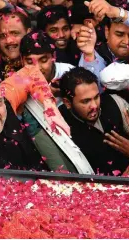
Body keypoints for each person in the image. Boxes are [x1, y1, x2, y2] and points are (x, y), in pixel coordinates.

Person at [58, 67, 129, 176]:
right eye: (86, 101)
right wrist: (120, 182)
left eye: (96, 97)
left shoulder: (115, 103)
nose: (94, 106)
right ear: (67, 102)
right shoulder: (59, 126)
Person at [20, 31, 76, 172]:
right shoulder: (18, 81)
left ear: (53, 57)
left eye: (43, 60)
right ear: (21, 60)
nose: (37, 68)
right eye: (29, 62)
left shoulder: (69, 73)